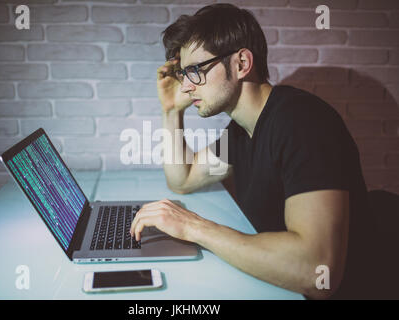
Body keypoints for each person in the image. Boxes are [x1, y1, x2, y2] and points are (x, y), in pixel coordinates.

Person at [130, 3, 372, 299]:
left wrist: (193, 227)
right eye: (184, 74)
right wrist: (170, 111)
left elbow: (318, 271)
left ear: (242, 63)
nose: (187, 87)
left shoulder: (302, 122)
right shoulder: (241, 131)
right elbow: (183, 179)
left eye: (194, 71)